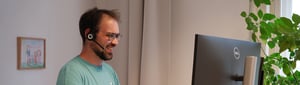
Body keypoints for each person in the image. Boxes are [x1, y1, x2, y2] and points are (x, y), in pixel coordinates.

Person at [56, 7, 121, 85]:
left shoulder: (110, 72)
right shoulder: (71, 73)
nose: (115, 42)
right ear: (89, 35)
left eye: (116, 36)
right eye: (110, 35)